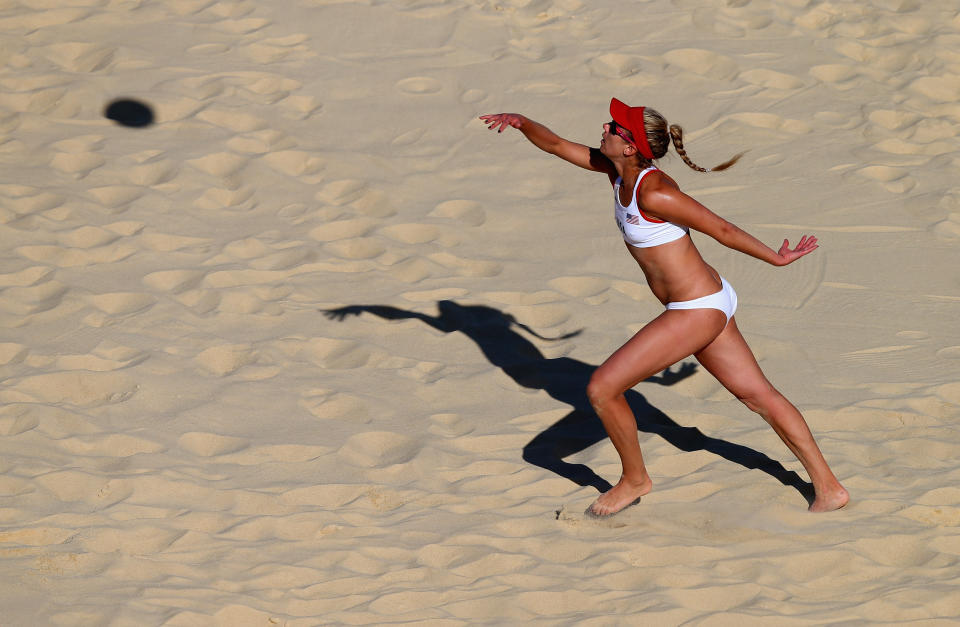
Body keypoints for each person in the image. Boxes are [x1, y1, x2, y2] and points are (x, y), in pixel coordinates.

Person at [479, 99, 849, 516]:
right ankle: (830, 488)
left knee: (602, 388)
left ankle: (635, 480)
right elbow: (556, 145)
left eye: (615, 127)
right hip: (703, 302)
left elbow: (721, 228)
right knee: (757, 395)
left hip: (696, 309)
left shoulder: (655, 192)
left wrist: (775, 258)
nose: (605, 126)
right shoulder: (614, 170)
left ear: (631, 147)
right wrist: (522, 121)